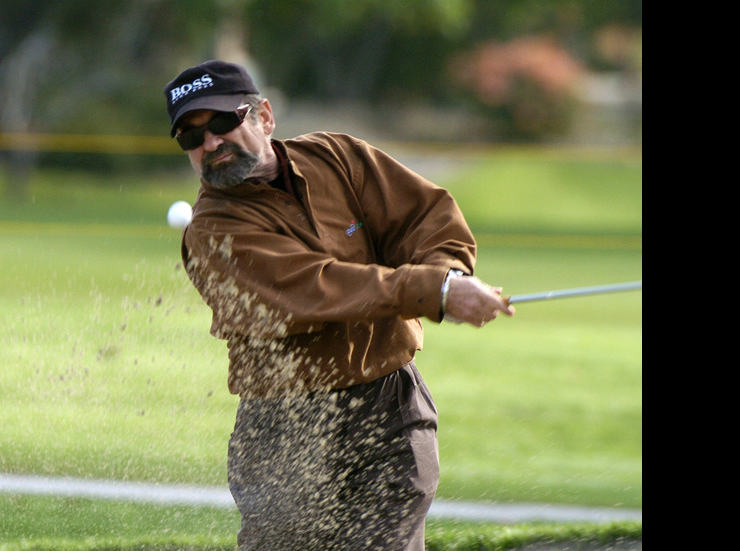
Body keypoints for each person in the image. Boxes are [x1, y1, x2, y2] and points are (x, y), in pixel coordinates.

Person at [163, 60, 514, 551]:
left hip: (389, 406)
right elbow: (317, 288)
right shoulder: (212, 232)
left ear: (264, 116)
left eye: (224, 122)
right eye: (191, 138)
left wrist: (449, 275)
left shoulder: (337, 156)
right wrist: (432, 291)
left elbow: (425, 218)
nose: (211, 144)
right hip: (284, 430)